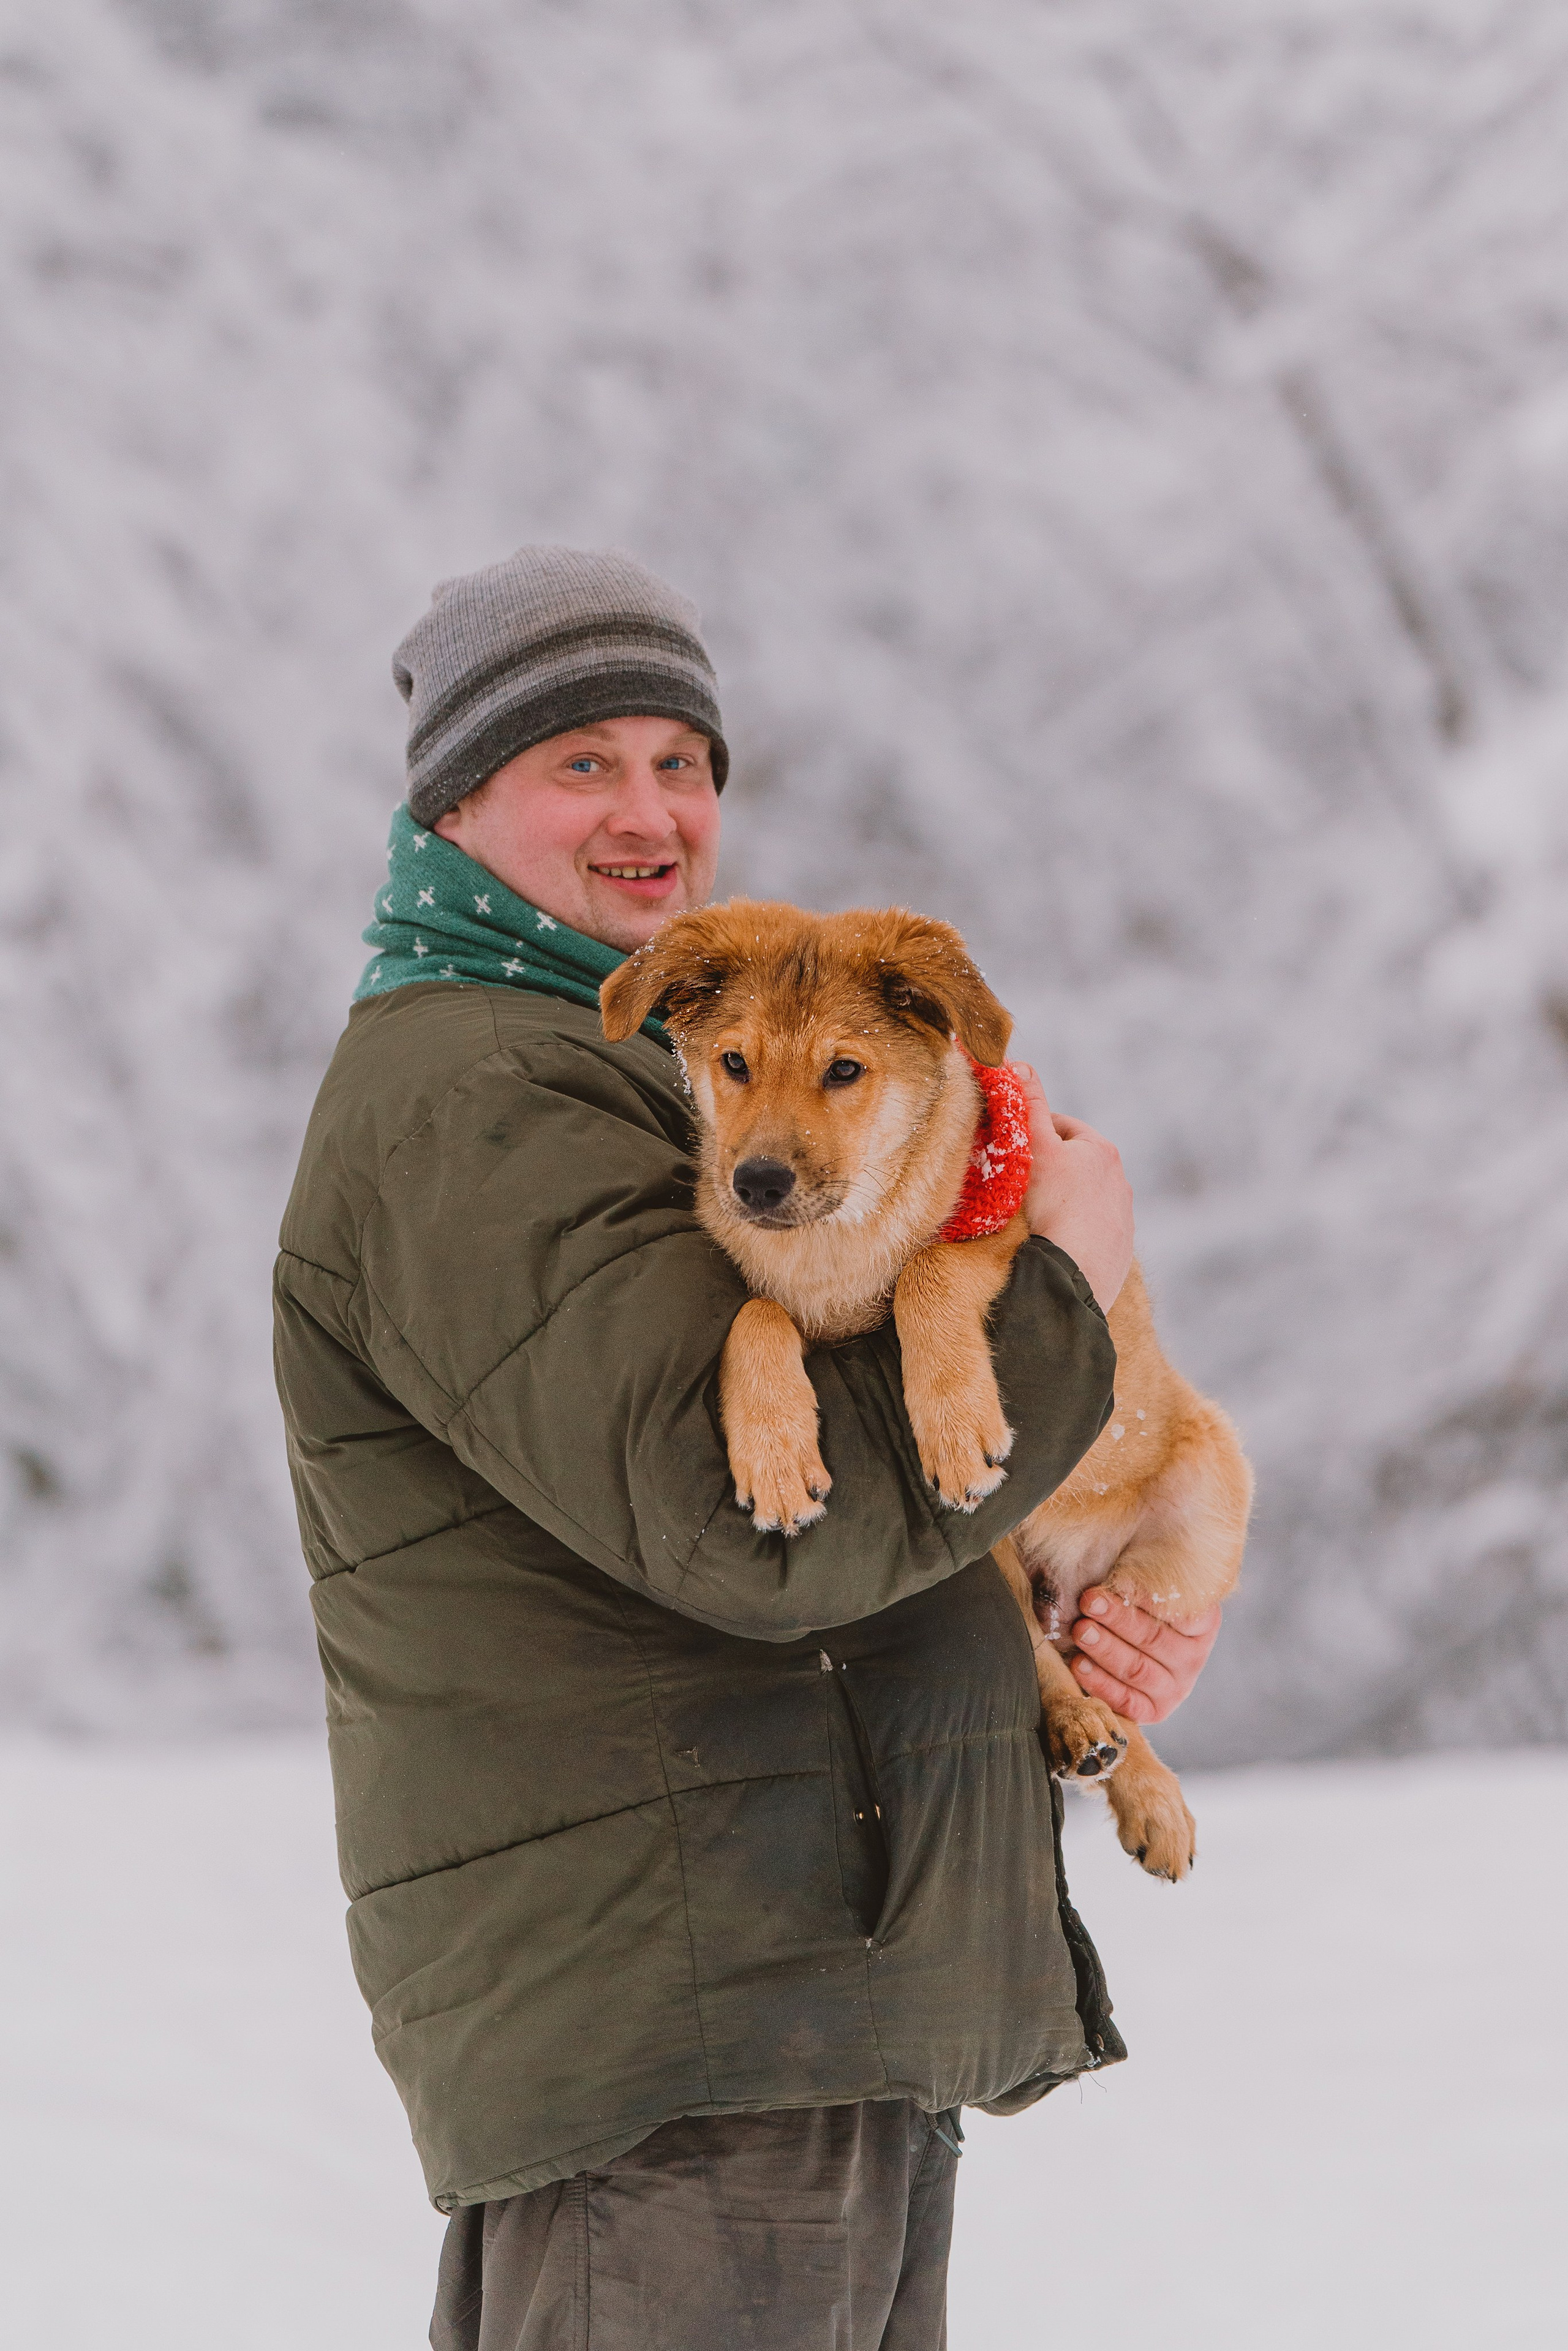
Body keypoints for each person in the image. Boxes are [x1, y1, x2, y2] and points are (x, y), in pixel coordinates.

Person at [273, 546, 1221, 2350]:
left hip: (797, 2003)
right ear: (454, 802)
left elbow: (868, 1501)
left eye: (682, 762)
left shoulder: (653, 1061)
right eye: (582, 762)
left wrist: (1074, 1595)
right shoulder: (475, 1097)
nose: (650, 812)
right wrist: (1066, 1291)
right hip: (690, 2034)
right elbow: (750, 1528)